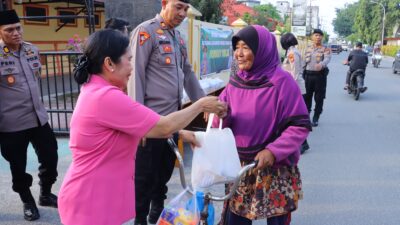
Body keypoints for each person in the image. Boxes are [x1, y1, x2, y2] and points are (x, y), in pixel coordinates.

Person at [57, 29, 226, 225]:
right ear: (109, 63)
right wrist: (201, 105)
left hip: (99, 196)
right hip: (91, 202)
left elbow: (137, 128)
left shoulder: (97, 91)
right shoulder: (106, 97)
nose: (132, 66)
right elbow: (163, 126)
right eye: (129, 59)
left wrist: (181, 134)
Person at [214, 25, 311, 225]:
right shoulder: (234, 82)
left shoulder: (282, 82)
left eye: (246, 48)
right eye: (237, 47)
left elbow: (299, 125)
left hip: (275, 167)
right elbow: (220, 125)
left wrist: (273, 151)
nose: (239, 54)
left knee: (276, 220)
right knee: (236, 220)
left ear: (262, 50)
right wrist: (221, 115)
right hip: (240, 167)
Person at [127, 1, 207, 224]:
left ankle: (157, 215)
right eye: (178, 7)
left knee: (163, 175)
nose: (182, 13)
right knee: (143, 180)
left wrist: (204, 102)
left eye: (185, 9)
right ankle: (140, 220)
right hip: (149, 126)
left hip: (172, 124)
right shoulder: (146, 32)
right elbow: (136, 77)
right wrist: (137, 123)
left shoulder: (178, 37)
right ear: (164, 3)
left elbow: (188, 73)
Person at [0, 10, 58, 221]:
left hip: (38, 118)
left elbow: (35, 79)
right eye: (9, 30)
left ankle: (45, 193)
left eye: (18, 28)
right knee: (19, 167)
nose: (15, 33)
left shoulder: (32, 50)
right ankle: (27, 200)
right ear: (0, 32)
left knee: (51, 158)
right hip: (12, 124)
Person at [280, 32, 310, 154]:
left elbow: (295, 73)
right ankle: (303, 143)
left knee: (295, 117)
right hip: (293, 87)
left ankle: (303, 143)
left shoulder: (292, 53)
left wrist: (290, 89)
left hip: (295, 88)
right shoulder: (291, 52)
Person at [303, 29, 331, 127]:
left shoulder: (325, 49)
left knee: (319, 98)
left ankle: (316, 117)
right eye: (316, 35)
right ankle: (306, 116)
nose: (318, 37)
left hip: (320, 77)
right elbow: (304, 61)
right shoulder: (307, 48)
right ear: (312, 37)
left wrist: (322, 64)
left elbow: (327, 58)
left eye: (320, 35)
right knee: (307, 97)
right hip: (308, 76)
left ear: (322, 37)